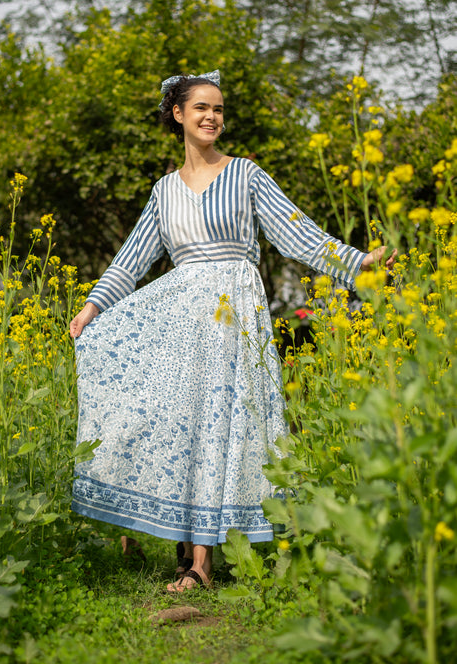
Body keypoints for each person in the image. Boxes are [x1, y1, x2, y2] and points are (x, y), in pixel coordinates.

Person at [69, 70, 396, 593]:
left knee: (225, 426)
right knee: (185, 426)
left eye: (218, 109)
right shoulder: (164, 191)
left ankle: (200, 562)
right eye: (201, 107)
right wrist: (92, 306)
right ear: (178, 114)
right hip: (182, 321)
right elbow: (132, 260)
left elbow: (300, 236)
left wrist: (359, 263)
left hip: (235, 316)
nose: (212, 117)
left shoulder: (246, 175)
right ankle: (186, 544)